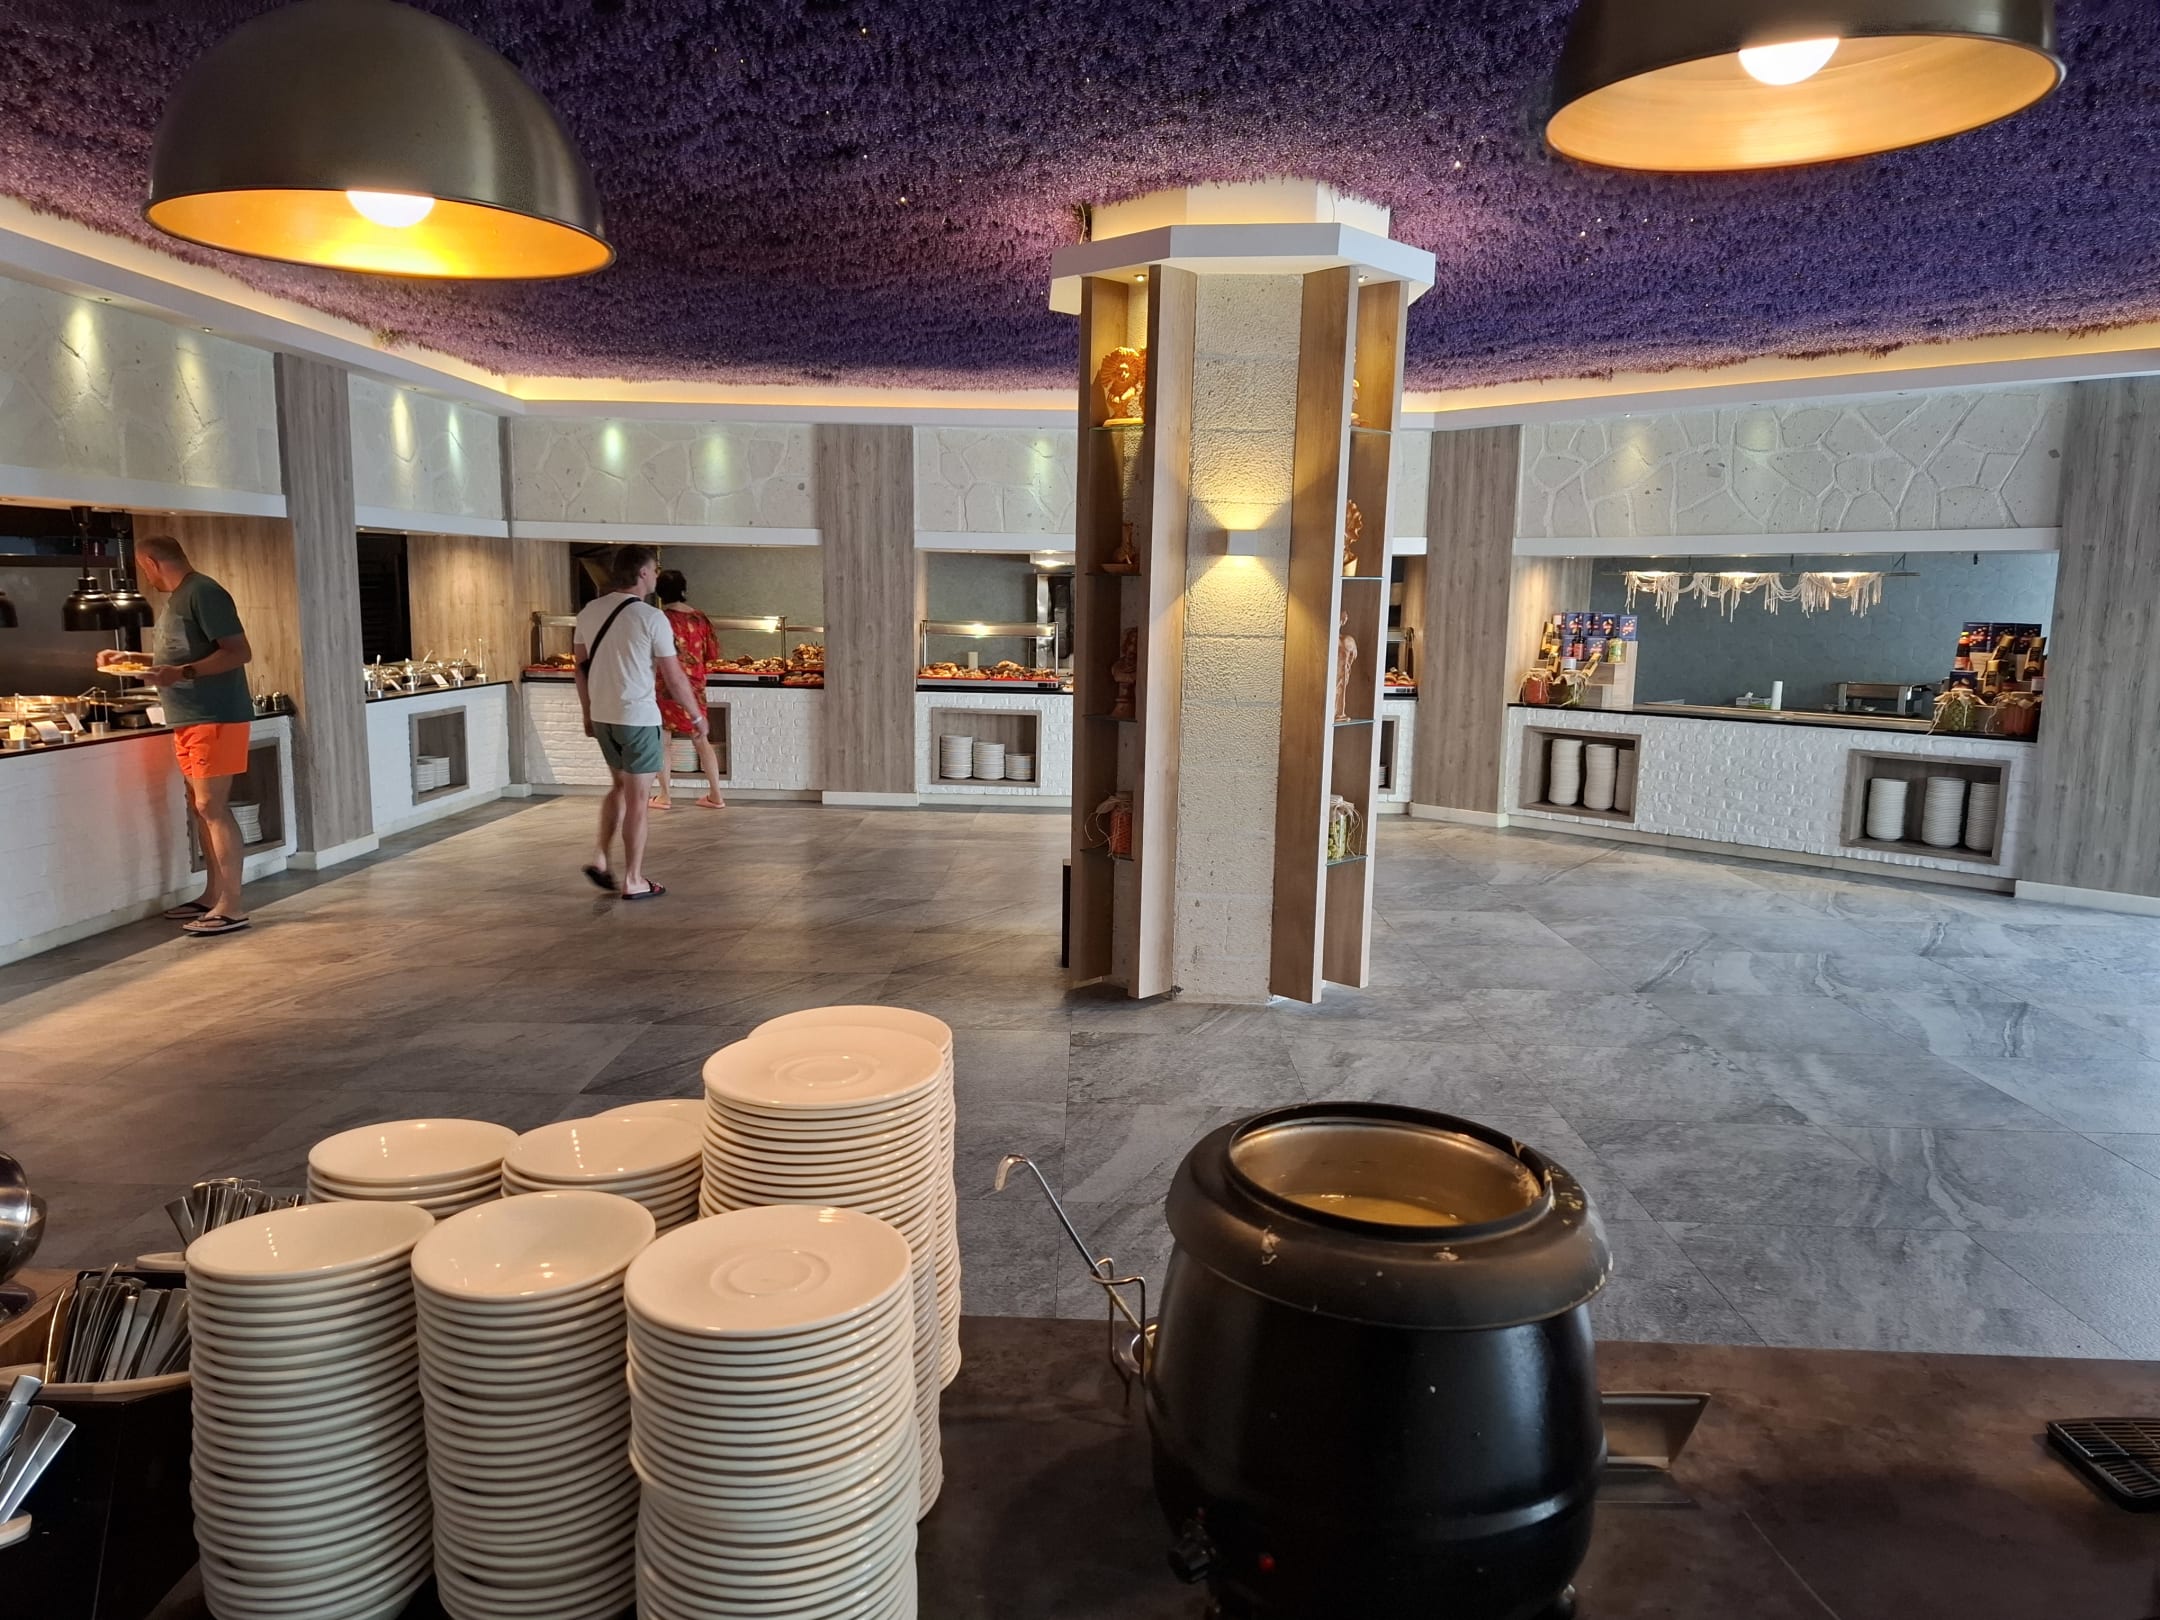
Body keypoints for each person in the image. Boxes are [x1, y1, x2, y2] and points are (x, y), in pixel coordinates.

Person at [99, 535, 256, 937]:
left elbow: (239, 651)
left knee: (211, 805)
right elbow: (179, 658)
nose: (144, 575)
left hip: (215, 715)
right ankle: (213, 894)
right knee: (200, 806)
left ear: (150, 562)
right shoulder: (178, 598)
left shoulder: (203, 592)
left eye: (142, 567)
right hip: (187, 717)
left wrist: (183, 673)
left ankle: (233, 906)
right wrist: (131, 660)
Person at [572, 545, 705, 900]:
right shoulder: (651, 617)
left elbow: (580, 669)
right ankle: (633, 879)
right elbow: (674, 677)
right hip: (639, 718)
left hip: (603, 716)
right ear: (643, 573)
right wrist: (695, 715)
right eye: (654, 569)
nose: (657, 575)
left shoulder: (589, 612)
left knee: (618, 787)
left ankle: (601, 859)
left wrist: (587, 712)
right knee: (638, 799)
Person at [649, 569, 726, 812]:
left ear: (659, 593)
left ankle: (664, 796)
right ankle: (716, 795)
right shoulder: (699, 618)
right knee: (701, 739)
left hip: (664, 686)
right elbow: (712, 653)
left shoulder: (658, 619)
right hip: (694, 688)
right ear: (684, 590)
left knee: (663, 741)